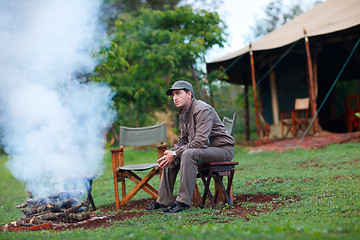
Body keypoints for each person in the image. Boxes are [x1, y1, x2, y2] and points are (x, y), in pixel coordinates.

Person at [146, 80, 235, 213]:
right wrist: (172, 153)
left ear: (189, 94)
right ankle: (164, 201)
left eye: (178, 93)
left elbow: (201, 141)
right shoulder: (183, 112)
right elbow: (183, 139)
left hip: (222, 150)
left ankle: (183, 202)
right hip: (204, 150)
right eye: (173, 95)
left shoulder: (203, 109)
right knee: (170, 156)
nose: (175, 98)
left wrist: (176, 153)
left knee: (187, 154)